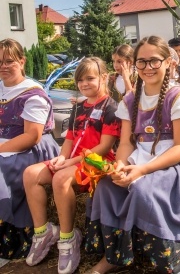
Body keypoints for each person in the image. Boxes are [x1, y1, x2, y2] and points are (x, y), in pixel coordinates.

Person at [84, 36, 180, 274]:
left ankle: (166, 260)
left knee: (142, 189)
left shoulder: (178, 97)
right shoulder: (129, 100)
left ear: (168, 62)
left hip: (176, 164)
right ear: (134, 65)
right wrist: (120, 165)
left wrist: (141, 171)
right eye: (141, 62)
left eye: (154, 61)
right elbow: (126, 143)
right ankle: (115, 255)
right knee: (106, 187)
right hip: (140, 157)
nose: (148, 68)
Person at [23, 57, 121, 274]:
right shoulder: (78, 107)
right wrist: (60, 157)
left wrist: (71, 162)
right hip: (72, 160)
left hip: (96, 163)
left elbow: (104, 148)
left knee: (61, 178)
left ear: (104, 77)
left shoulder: (111, 108)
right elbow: (69, 139)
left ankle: (68, 238)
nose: (84, 84)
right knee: (31, 174)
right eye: (80, 80)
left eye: (90, 78)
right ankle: (43, 231)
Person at [0, 39, 60, 261]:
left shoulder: (32, 94)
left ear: (22, 61)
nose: (3, 66)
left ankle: (10, 243)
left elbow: (31, 136)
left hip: (29, 147)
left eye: (9, 61)